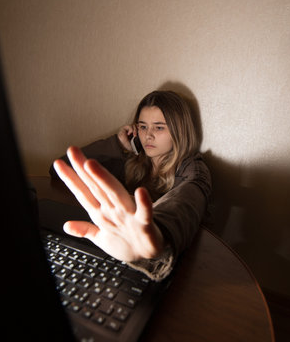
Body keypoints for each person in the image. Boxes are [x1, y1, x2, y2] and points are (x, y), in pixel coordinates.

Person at [50, 91, 211, 281]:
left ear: (179, 131)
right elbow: (61, 170)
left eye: (159, 128)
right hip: (115, 254)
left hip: (172, 272)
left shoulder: (193, 169)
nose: (148, 135)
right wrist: (118, 144)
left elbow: (186, 201)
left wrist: (157, 233)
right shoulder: (134, 160)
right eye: (143, 127)